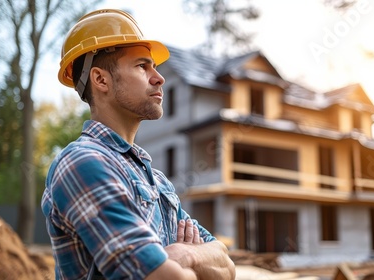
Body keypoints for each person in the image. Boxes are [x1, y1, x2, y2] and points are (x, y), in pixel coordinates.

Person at [41, 9, 236, 280]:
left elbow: (226, 266)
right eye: (142, 66)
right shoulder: (82, 163)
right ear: (101, 80)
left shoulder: (157, 180)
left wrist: (186, 254)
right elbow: (162, 278)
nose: (159, 78)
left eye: (154, 67)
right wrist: (193, 268)